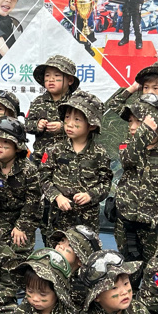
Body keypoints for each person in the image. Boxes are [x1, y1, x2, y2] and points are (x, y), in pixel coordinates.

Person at [108, 93, 158, 281]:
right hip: (126, 224)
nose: (133, 127)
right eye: (130, 121)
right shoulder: (128, 148)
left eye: (139, 122)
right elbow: (128, 160)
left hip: (153, 229)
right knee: (128, 272)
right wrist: (144, 132)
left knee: (155, 274)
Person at [40, 90, 113, 237]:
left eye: (77, 120)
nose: (70, 124)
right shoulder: (54, 150)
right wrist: (57, 197)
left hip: (87, 221)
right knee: (57, 249)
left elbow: (105, 184)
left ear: (91, 125)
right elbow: (43, 178)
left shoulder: (100, 154)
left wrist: (90, 195)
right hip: (58, 219)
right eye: (67, 117)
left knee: (85, 250)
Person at [0, 117, 43, 260]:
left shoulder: (29, 170)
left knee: (18, 250)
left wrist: (21, 226)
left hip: (25, 216)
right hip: (0, 216)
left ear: (17, 146)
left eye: (6, 142)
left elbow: (33, 202)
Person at [27, 54, 79, 158]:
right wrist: (37, 125)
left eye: (57, 75)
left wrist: (62, 127)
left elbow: (83, 127)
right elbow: (27, 125)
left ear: (70, 80)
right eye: (47, 75)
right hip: (41, 158)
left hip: (68, 158)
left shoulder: (76, 103)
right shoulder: (38, 102)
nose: (51, 79)